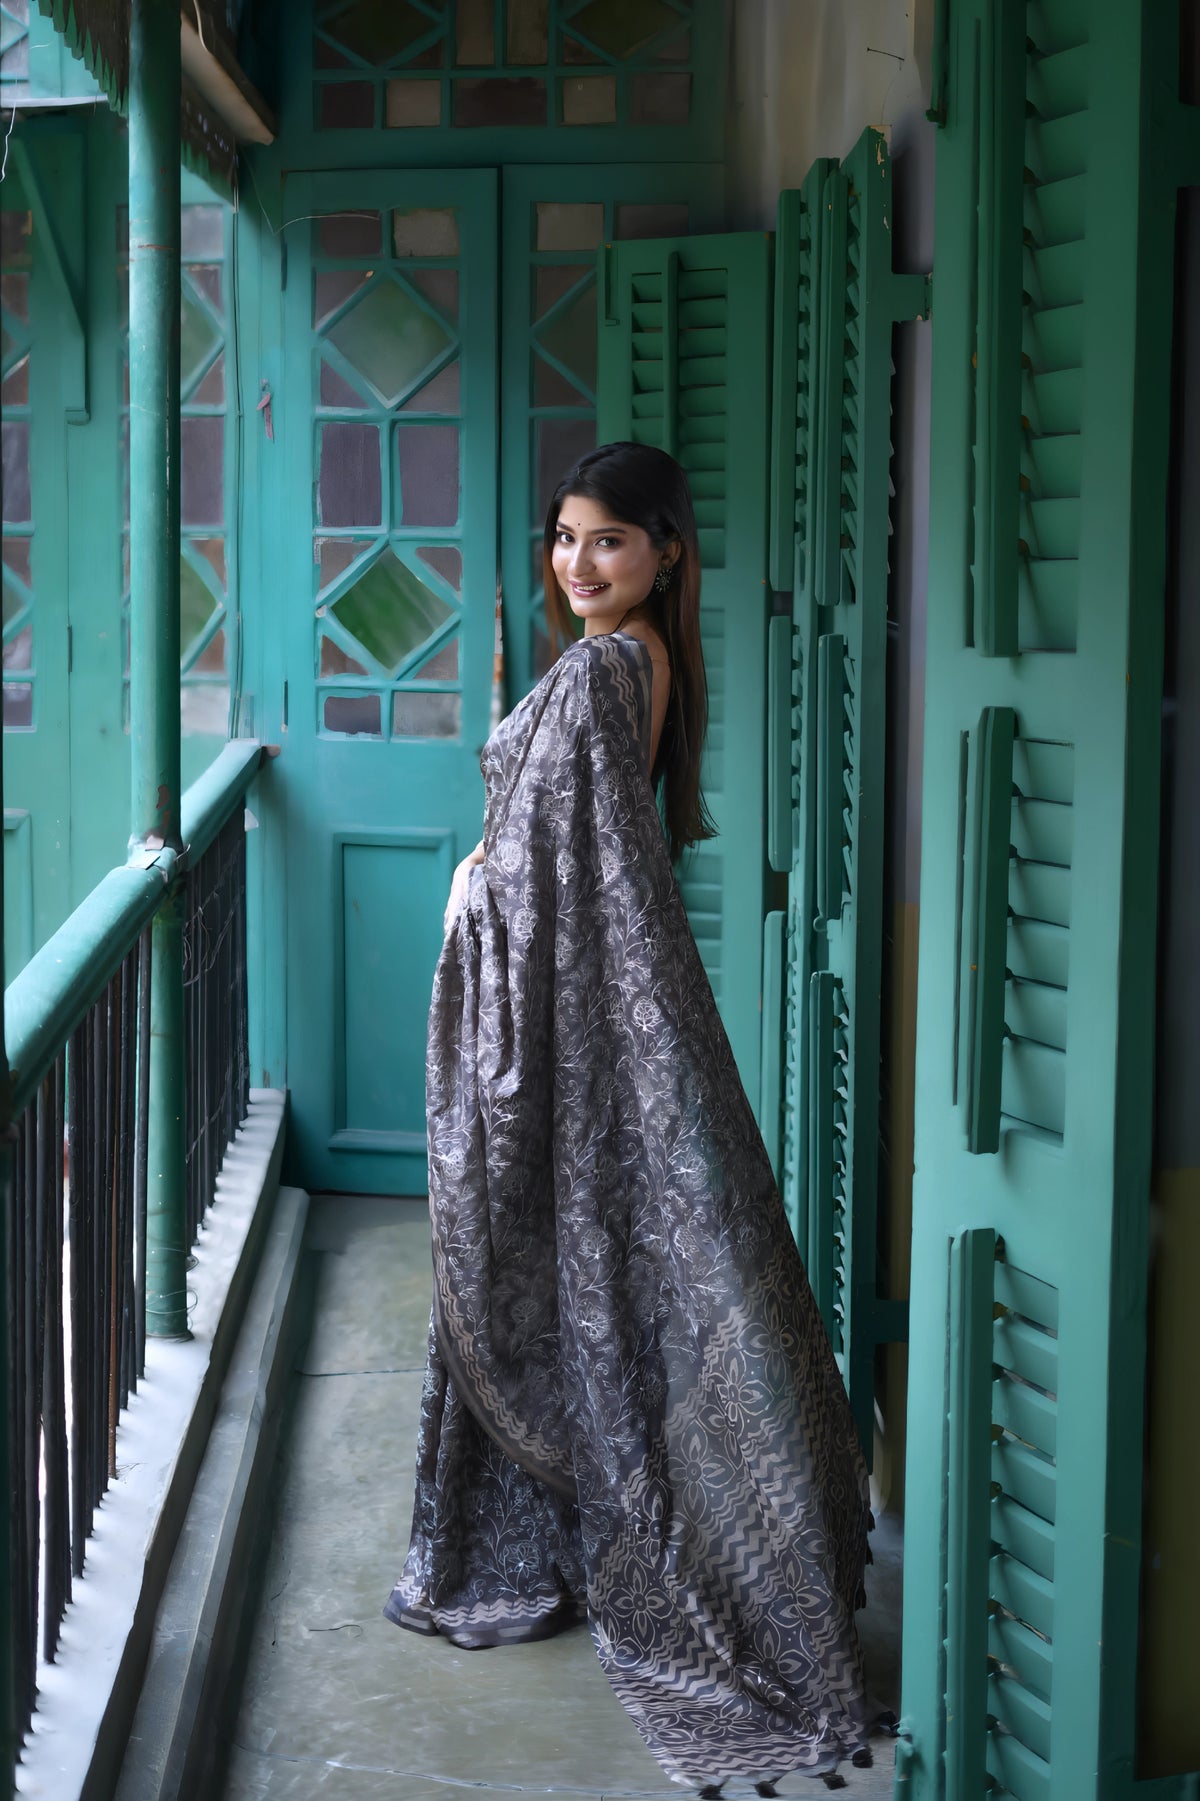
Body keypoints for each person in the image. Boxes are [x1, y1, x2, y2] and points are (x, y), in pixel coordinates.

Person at [385, 442, 873, 1792]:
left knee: (563, 1253)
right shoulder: (638, 665)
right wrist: (496, 858)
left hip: (569, 1018)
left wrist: (476, 885)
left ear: (667, 552)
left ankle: (652, 1550)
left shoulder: (610, 668)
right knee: (619, 1260)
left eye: (609, 542)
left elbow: (550, 861)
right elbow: (561, 838)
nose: (578, 565)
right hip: (595, 1005)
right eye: (565, 539)